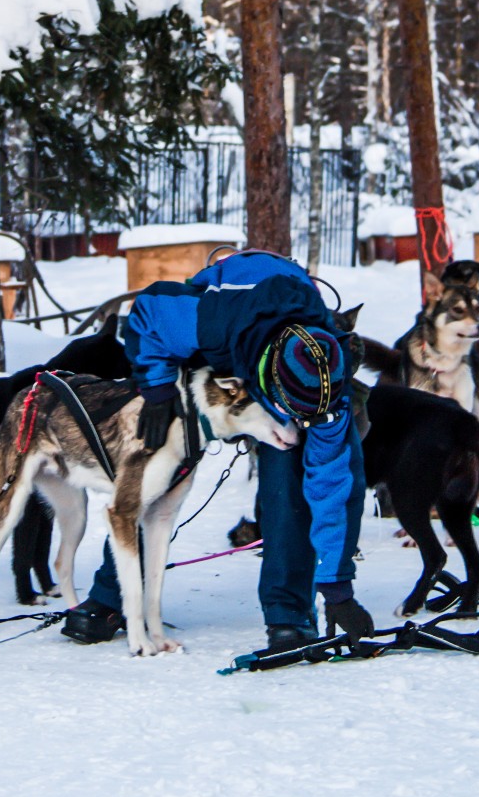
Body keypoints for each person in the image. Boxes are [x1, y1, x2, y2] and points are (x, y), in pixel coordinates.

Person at [59, 250, 371, 654]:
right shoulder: (213, 319)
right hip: (219, 344)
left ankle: (288, 617)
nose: (291, 421)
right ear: (264, 381)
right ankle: (110, 596)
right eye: (285, 411)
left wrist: (338, 588)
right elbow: (148, 312)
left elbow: (335, 490)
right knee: (154, 469)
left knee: (288, 479)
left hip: (279, 349)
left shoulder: (329, 390)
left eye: (303, 415)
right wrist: (156, 390)